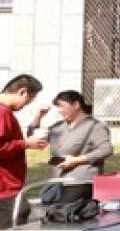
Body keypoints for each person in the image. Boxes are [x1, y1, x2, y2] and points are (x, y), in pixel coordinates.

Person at [37, 90, 112, 221]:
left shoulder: (95, 126)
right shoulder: (58, 127)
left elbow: (106, 150)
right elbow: (35, 138)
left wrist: (77, 160)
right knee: (52, 214)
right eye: (58, 107)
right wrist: (38, 117)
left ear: (76, 104)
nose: (60, 110)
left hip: (81, 180)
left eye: (62, 106)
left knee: (61, 215)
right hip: (59, 181)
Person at [1, 73, 46, 220]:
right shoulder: (3, 112)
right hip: (5, 187)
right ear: (22, 92)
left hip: (7, 186)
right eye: (30, 99)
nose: (27, 104)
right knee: (15, 218)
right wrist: (26, 143)